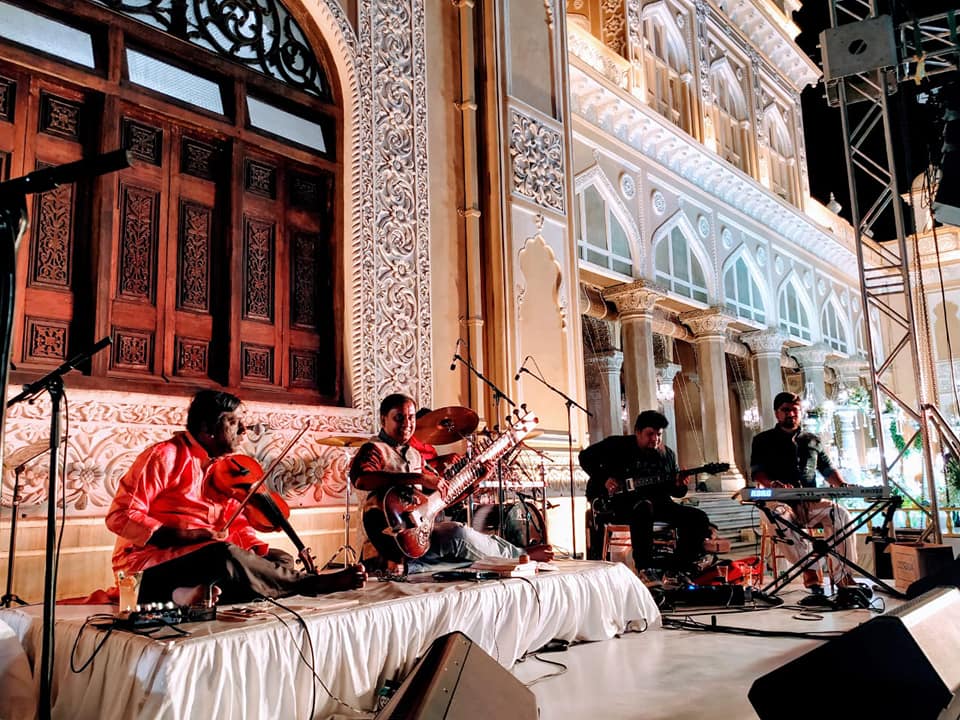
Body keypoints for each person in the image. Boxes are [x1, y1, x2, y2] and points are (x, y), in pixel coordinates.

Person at [106, 390, 366, 606]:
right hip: (151, 563)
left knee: (278, 560)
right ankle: (309, 584)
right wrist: (189, 535)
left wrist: (253, 553)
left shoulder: (227, 467)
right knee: (223, 556)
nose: (245, 429)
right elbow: (120, 516)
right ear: (208, 427)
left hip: (204, 558)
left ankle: (192, 594)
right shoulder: (164, 456)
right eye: (234, 422)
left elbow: (237, 526)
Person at [350, 393, 552, 575]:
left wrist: (476, 480)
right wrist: (418, 478)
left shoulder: (414, 455)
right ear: (383, 419)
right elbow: (362, 479)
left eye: (411, 417)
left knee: (459, 534)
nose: (407, 423)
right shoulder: (374, 448)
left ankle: (414, 567)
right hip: (384, 545)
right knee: (459, 546)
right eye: (399, 417)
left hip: (418, 538)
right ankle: (521, 555)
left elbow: (440, 499)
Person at [750, 391, 862, 602]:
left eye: (795, 410)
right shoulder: (762, 440)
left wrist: (842, 485)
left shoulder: (811, 440)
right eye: (786, 410)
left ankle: (843, 577)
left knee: (841, 514)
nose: (791, 414)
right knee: (779, 517)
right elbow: (757, 472)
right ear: (777, 414)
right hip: (778, 502)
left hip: (809, 503)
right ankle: (810, 572)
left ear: (800, 412)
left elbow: (827, 469)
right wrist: (773, 484)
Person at [580, 410, 711, 575]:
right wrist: (605, 479)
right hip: (619, 505)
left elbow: (675, 492)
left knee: (698, 517)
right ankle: (646, 566)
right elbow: (584, 457)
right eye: (650, 434)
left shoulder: (667, 455)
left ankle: (680, 565)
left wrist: (680, 484)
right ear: (637, 432)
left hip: (659, 505)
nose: (655, 439)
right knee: (643, 507)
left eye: (659, 434)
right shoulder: (616, 445)